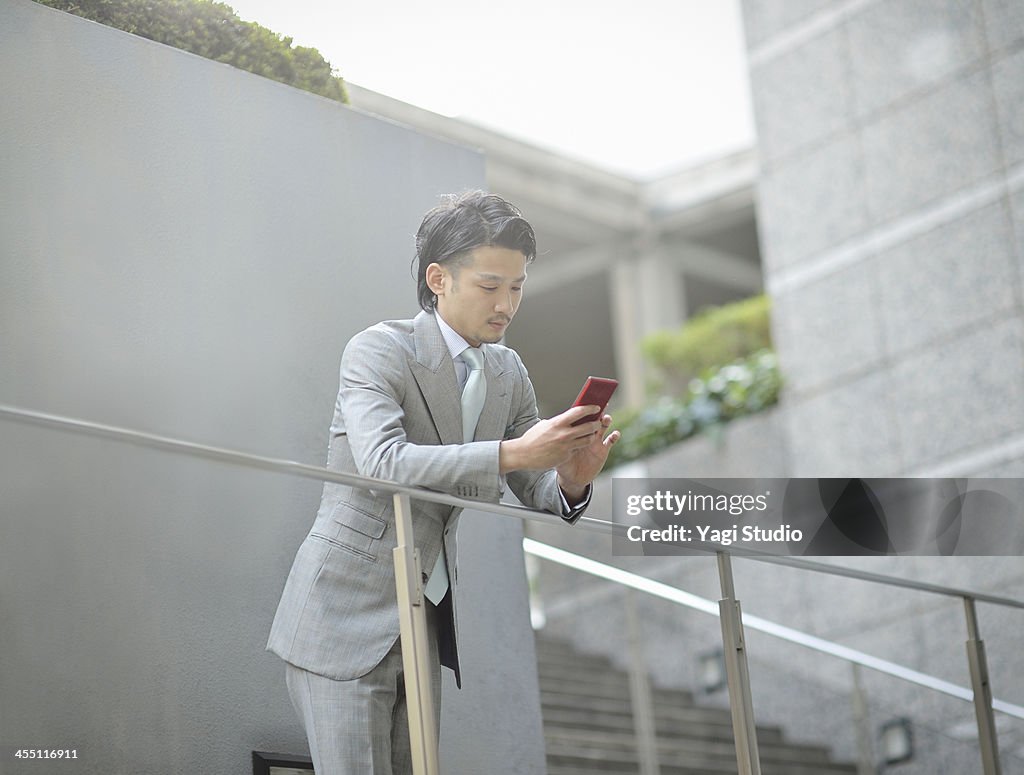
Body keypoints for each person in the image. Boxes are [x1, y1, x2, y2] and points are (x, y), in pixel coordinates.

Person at [266, 190, 619, 774]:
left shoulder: (507, 369)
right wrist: (512, 452)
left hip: (422, 622)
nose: (506, 304)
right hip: (340, 618)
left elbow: (533, 480)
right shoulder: (378, 351)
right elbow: (383, 463)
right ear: (438, 278)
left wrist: (572, 480)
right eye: (489, 286)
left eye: (517, 287)